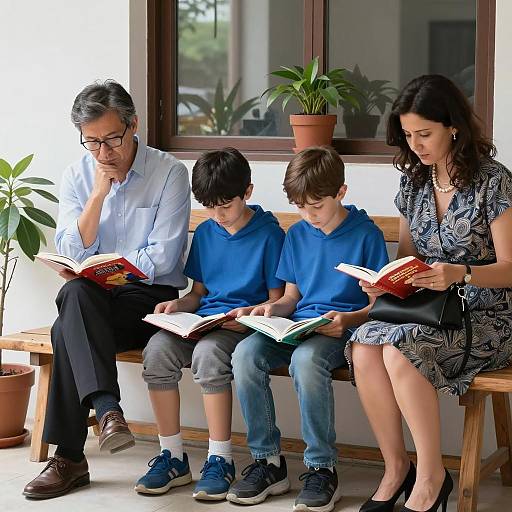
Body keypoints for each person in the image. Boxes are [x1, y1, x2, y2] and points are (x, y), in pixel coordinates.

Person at [349, 74, 512, 512]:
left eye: (425, 133)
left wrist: (461, 273)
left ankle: (431, 476)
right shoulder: (414, 182)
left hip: (488, 316)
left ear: (452, 127)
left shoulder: (493, 182)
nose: (416, 144)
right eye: (408, 135)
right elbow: (407, 257)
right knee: (364, 347)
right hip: (427, 312)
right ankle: (396, 467)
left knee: (399, 352)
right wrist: (384, 281)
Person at [23, 80, 191, 499]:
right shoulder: (78, 175)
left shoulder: (169, 173)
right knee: (77, 299)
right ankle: (108, 411)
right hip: (95, 303)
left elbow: (166, 259)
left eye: (112, 139)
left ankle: (70, 457)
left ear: (133, 125)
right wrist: (99, 194)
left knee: (68, 326)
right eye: (92, 142)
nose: (103, 152)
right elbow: (69, 248)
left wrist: (114, 272)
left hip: (150, 303)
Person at [227, 146, 389, 512]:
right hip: (300, 326)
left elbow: (379, 305)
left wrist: (349, 319)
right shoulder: (298, 234)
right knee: (245, 354)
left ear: (341, 192)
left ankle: (321, 467)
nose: (309, 215)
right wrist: (271, 309)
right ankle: (267, 461)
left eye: (317, 206)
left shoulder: (366, 235)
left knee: (305, 361)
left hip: (340, 331)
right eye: (301, 207)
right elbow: (291, 297)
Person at [135, 148, 285, 500]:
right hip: (205, 320)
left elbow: (277, 301)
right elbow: (197, 293)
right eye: (209, 207)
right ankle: (172, 456)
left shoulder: (269, 235)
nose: (218, 215)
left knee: (207, 354)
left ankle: (220, 459)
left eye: (225, 206)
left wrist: (248, 314)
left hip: (240, 329)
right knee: (156, 350)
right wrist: (177, 305)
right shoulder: (205, 233)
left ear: (247, 192)